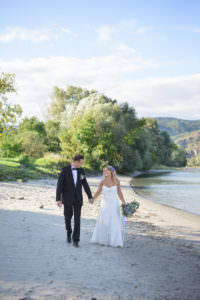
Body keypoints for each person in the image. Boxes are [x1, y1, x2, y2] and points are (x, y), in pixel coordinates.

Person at [56, 154, 93, 248]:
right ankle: (69, 232)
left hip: (78, 199)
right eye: (81, 162)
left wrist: (90, 196)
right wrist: (58, 199)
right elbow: (59, 185)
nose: (82, 164)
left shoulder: (81, 170)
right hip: (67, 198)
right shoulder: (64, 170)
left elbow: (85, 184)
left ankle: (76, 240)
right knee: (67, 218)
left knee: (77, 220)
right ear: (76, 162)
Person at [90, 165, 126, 247]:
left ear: (111, 172)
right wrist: (93, 199)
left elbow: (119, 193)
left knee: (114, 221)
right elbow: (98, 192)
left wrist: (124, 202)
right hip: (105, 205)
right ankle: (103, 240)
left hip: (114, 204)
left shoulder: (117, 181)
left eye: (107, 171)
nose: (105, 172)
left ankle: (114, 240)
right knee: (104, 220)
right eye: (104, 171)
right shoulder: (102, 181)